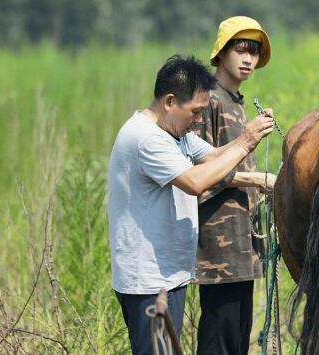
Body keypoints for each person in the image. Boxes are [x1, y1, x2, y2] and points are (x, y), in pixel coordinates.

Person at [107, 54, 274, 355]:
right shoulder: (147, 139)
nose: (199, 120)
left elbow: (214, 157)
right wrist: (247, 141)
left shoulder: (176, 133)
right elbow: (196, 181)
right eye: (195, 112)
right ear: (170, 102)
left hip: (170, 275)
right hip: (148, 282)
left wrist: (258, 169)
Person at [194, 16, 277, 355]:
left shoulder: (237, 101)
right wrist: (257, 179)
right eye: (240, 50)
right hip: (218, 247)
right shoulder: (209, 100)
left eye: (254, 52)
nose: (248, 59)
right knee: (220, 339)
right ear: (221, 53)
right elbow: (197, 172)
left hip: (243, 242)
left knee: (238, 338)